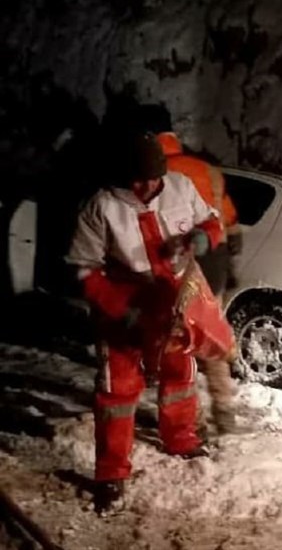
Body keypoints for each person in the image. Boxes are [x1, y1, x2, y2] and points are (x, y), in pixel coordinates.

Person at [66, 132, 224, 512]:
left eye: (153, 178)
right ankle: (111, 473)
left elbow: (212, 222)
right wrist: (120, 308)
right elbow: (84, 269)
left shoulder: (181, 187)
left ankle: (180, 437)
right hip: (123, 304)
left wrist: (204, 238)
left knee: (179, 373)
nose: (147, 187)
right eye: (137, 180)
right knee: (117, 390)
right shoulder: (101, 207)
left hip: (173, 299)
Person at [155, 130, 242, 435]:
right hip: (215, 260)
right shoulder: (209, 171)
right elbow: (229, 219)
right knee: (211, 334)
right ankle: (224, 407)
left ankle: (193, 417)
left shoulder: (159, 173)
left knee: (181, 341)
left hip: (181, 260)